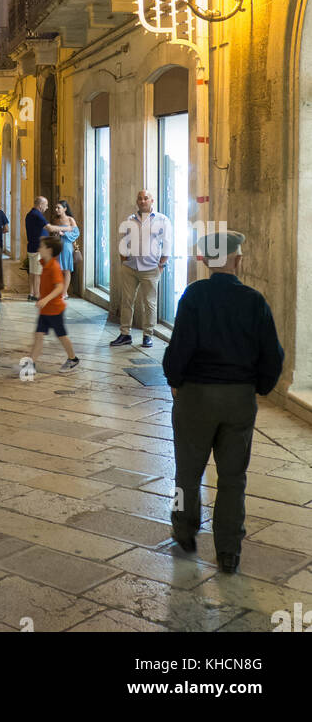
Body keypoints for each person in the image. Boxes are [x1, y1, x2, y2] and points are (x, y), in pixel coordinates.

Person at [163, 229, 283, 574]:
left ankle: (184, 532)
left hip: (196, 397)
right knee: (233, 477)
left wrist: (175, 380)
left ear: (204, 260)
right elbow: (272, 356)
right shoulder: (254, 300)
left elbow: (179, 346)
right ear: (238, 260)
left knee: (187, 473)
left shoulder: (194, 295)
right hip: (238, 399)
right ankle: (229, 551)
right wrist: (257, 388)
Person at [110, 189, 172, 349]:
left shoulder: (162, 220)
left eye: (146, 198)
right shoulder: (130, 219)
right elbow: (124, 242)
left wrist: (161, 265)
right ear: (137, 201)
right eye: (140, 198)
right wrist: (123, 261)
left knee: (149, 303)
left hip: (151, 269)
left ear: (152, 201)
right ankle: (125, 334)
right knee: (126, 301)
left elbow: (167, 244)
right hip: (130, 268)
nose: (142, 201)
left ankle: (147, 335)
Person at [22, 234, 80, 375]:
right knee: (38, 335)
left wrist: (45, 299)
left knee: (61, 335)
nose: (39, 248)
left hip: (55, 310)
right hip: (45, 310)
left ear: (49, 250)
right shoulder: (45, 264)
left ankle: (73, 359)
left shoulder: (54, 267)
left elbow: (59, 287)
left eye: (42, 246)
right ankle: (31, 363)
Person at [45, 200, 79, 298]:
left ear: (65, 209)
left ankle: (65, 293)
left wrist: (64, 234)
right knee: (57, 269)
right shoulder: (55, 220)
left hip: (66, 246)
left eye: (58, 208)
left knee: (66, 269)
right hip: (57, 245)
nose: (56, 210)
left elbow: (76, 233)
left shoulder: (70, 220)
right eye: (56, 208)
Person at [24, 196, 49, 302]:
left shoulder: (30, 214)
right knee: (38, 273)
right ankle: (37, 295)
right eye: (46, 205)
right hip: (38, 248)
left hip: (32, 246)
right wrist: (65, 228)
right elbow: (49, 227)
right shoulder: (37, 215)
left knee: (33, 272)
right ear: (40, 205)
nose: (47, 207)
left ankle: (31, 293)